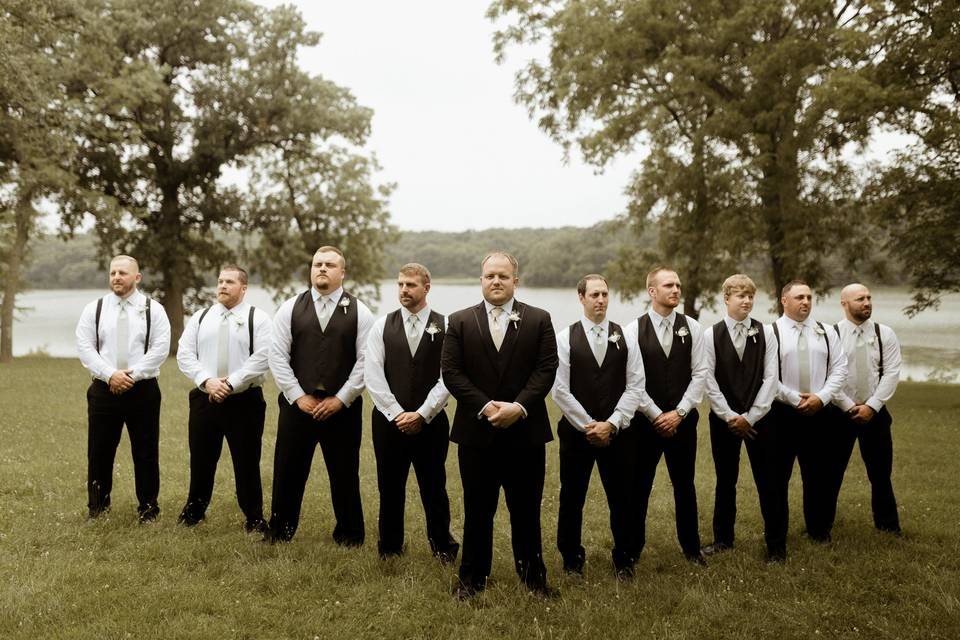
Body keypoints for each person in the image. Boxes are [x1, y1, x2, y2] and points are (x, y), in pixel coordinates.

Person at [441, 251, 558, 598]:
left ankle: (534, 580)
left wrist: (519, 407)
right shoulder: (459, 321)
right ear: (481, 280)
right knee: (477, 510)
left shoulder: (539, 319)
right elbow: (452, 372)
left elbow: (546, 369)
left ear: (515, 282)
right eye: (490, 276)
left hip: (526, 433)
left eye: (503, 276)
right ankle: (471, 579)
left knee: (526, 511)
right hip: (477, 433)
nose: (496, 281)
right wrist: (487, 406)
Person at [266, 246, 374, 544]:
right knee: (288, 469)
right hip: (296, 406)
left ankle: (350, 535)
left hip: (343, 409)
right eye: (317, 264)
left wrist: (341, 399)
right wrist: (298, 396)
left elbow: (366, 361)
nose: (322, 269)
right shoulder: (290, 308)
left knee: (344, 473)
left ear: (343, 272)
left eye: (329, 264)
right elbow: (277, 356)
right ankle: (279, 531)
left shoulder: (360, 311)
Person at [551, 274, 647, 578]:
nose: (601, 300)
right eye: (594, 295)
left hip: (618, 434)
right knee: (572, 497)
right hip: (577, 434)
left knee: (622, 497)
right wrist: (590, 426)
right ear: (581, 298)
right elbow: (560, 390)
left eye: (605, 294)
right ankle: (571, 559)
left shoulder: (626, 336)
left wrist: (612, 424)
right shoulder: (565, 337)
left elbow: (635, 386)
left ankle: (624, 558)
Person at [364, 263, 459, 560]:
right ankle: (390, 547)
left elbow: (449, 376)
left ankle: (442, 546)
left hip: (431, 423)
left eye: (411, 285)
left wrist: (422, 413)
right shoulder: (382, 326)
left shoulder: (448, 327)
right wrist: (396, 413)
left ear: (426, 288)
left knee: (434, 487)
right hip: (387, 422)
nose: (404, 290)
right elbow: (373, 375)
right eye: (400, 284)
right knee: (389, 486)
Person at [175, 265, 272, 532]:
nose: (222, 286)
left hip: (245, 401)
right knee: (201, 458)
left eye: (229, 282)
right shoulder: (201, 317)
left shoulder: (258, 319)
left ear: (243, 288)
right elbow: (185, 354)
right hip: (205, 399)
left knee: (246, 461)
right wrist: (207, 381)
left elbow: (263, 357)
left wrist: (230, 383)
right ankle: (194, 511)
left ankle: (254, 517)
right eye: (219, 281)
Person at [75, 255, 170, 523]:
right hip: (103, 390)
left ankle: (149, 509)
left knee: (146, 450)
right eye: (113, 273)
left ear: (136, 278)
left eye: (123, 273)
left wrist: (132, 376)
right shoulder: (94, 309)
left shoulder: (154, 309)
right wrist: (110, 375)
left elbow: (160, 348)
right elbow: (85, 347)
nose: (116, 277)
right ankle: (97, 508)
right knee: (99, 451)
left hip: (143, 390)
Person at [625, 266, 708, 564]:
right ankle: (631, 551)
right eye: (669, 285)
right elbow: (632, 381)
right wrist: (657, 414)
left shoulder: (693, 328)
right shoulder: (632, 330)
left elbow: (700, 374)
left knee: (685, 486)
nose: (676, 290)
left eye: (678, 285)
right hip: (645, 424)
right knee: (639, 487)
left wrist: (680, 412)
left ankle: (691, 549)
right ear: (652, 291)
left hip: (683, 421)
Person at [701, 274, 779, 559]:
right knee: (725, 480)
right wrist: (730, 416)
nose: (746, 301)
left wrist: (752, 416)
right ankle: (723, 539)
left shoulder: (766, 331)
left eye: (750, 296)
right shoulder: (710, 335)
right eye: (740, 295)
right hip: (724, 422)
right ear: (726, 298)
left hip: (761, 421)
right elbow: (708, 379)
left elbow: (771, 377)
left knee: (768, 481)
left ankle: (775, 545)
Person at [769, 280, 847, 553]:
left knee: (818, 475)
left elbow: (839, 369)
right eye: (799, 297)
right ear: (784, 301)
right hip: (782, 414)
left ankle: (818, 531)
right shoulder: (771, 333)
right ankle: (777, 536)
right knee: (777, 479)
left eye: (809, 298)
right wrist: (793, 399)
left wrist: (821, 398)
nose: (805, 302)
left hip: (820, 413)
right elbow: (767, 376)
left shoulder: (826, 332)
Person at [831, 283, 902, 535]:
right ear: (844, 304)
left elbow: (891, 373)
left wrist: (872, 406)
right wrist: (848, 406)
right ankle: (821, 527)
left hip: (876, 413)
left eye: (869, 298)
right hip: (839, 413)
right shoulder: (831, 334)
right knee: (830, 473)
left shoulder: (885, 334)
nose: (867, 302)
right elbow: (828, 377)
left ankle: (888, 526)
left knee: (881, 472)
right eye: (860, 299)